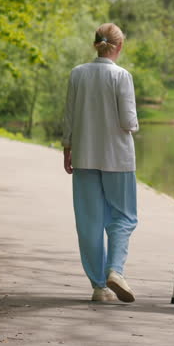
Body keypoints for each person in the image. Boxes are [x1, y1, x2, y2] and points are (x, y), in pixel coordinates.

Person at [62, 23, 139, 303]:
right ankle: (115, 270)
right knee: (124, 216)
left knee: (89, 221)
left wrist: (67, 149)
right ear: (119, 47)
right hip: (118, 158)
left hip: (84, 155)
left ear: (96, 44)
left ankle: (98, 286)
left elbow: (69, 116)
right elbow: (128, 121)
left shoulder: (78, 74)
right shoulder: (121, 76)